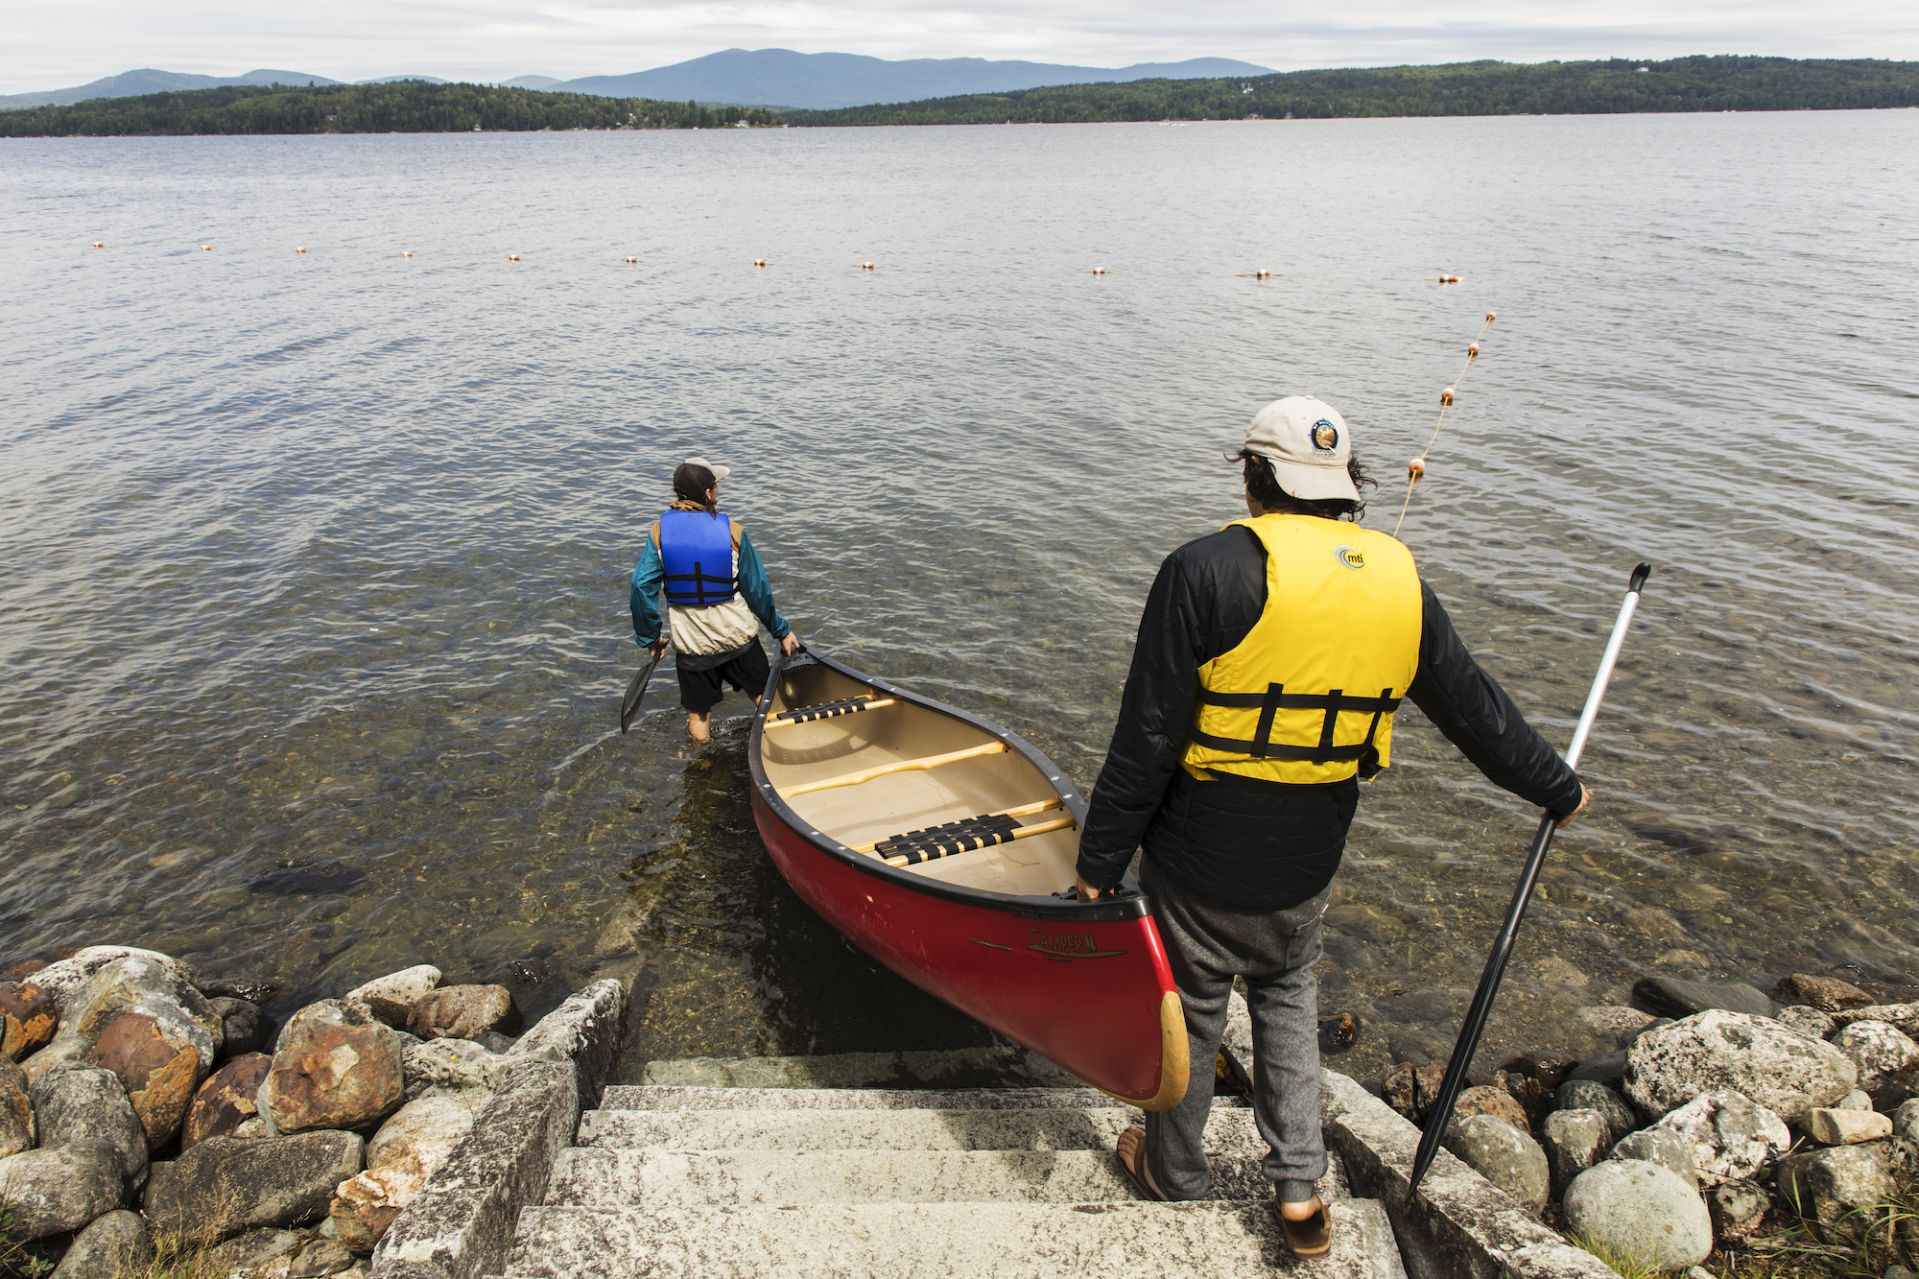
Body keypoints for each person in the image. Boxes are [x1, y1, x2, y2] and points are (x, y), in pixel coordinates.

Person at [1072, 396, 1588, 1258]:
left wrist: (1097, 863)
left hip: (1197, 856)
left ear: (1255, 477)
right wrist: (1556, 786)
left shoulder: (1201, 570)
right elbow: (1476, 712)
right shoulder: (1399, 580)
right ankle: (1301, 1192)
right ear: (1343, 484)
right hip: (1308, 857)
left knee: (1193, 1012)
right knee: (1283, 993)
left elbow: (1148, 738)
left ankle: (1176, 1172)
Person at [630, 457, 802, 742]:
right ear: (708, 494)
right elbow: (757, 590)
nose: (718, 490)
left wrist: (650, 638)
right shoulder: (733, 532)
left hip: (692, 644)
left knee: (699, 715)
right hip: (737, 638)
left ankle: (701, 768)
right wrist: (781, 631)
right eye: (715, 486)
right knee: (765, 699)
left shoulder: (659, 534)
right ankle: (786, 748)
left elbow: (640, 587)